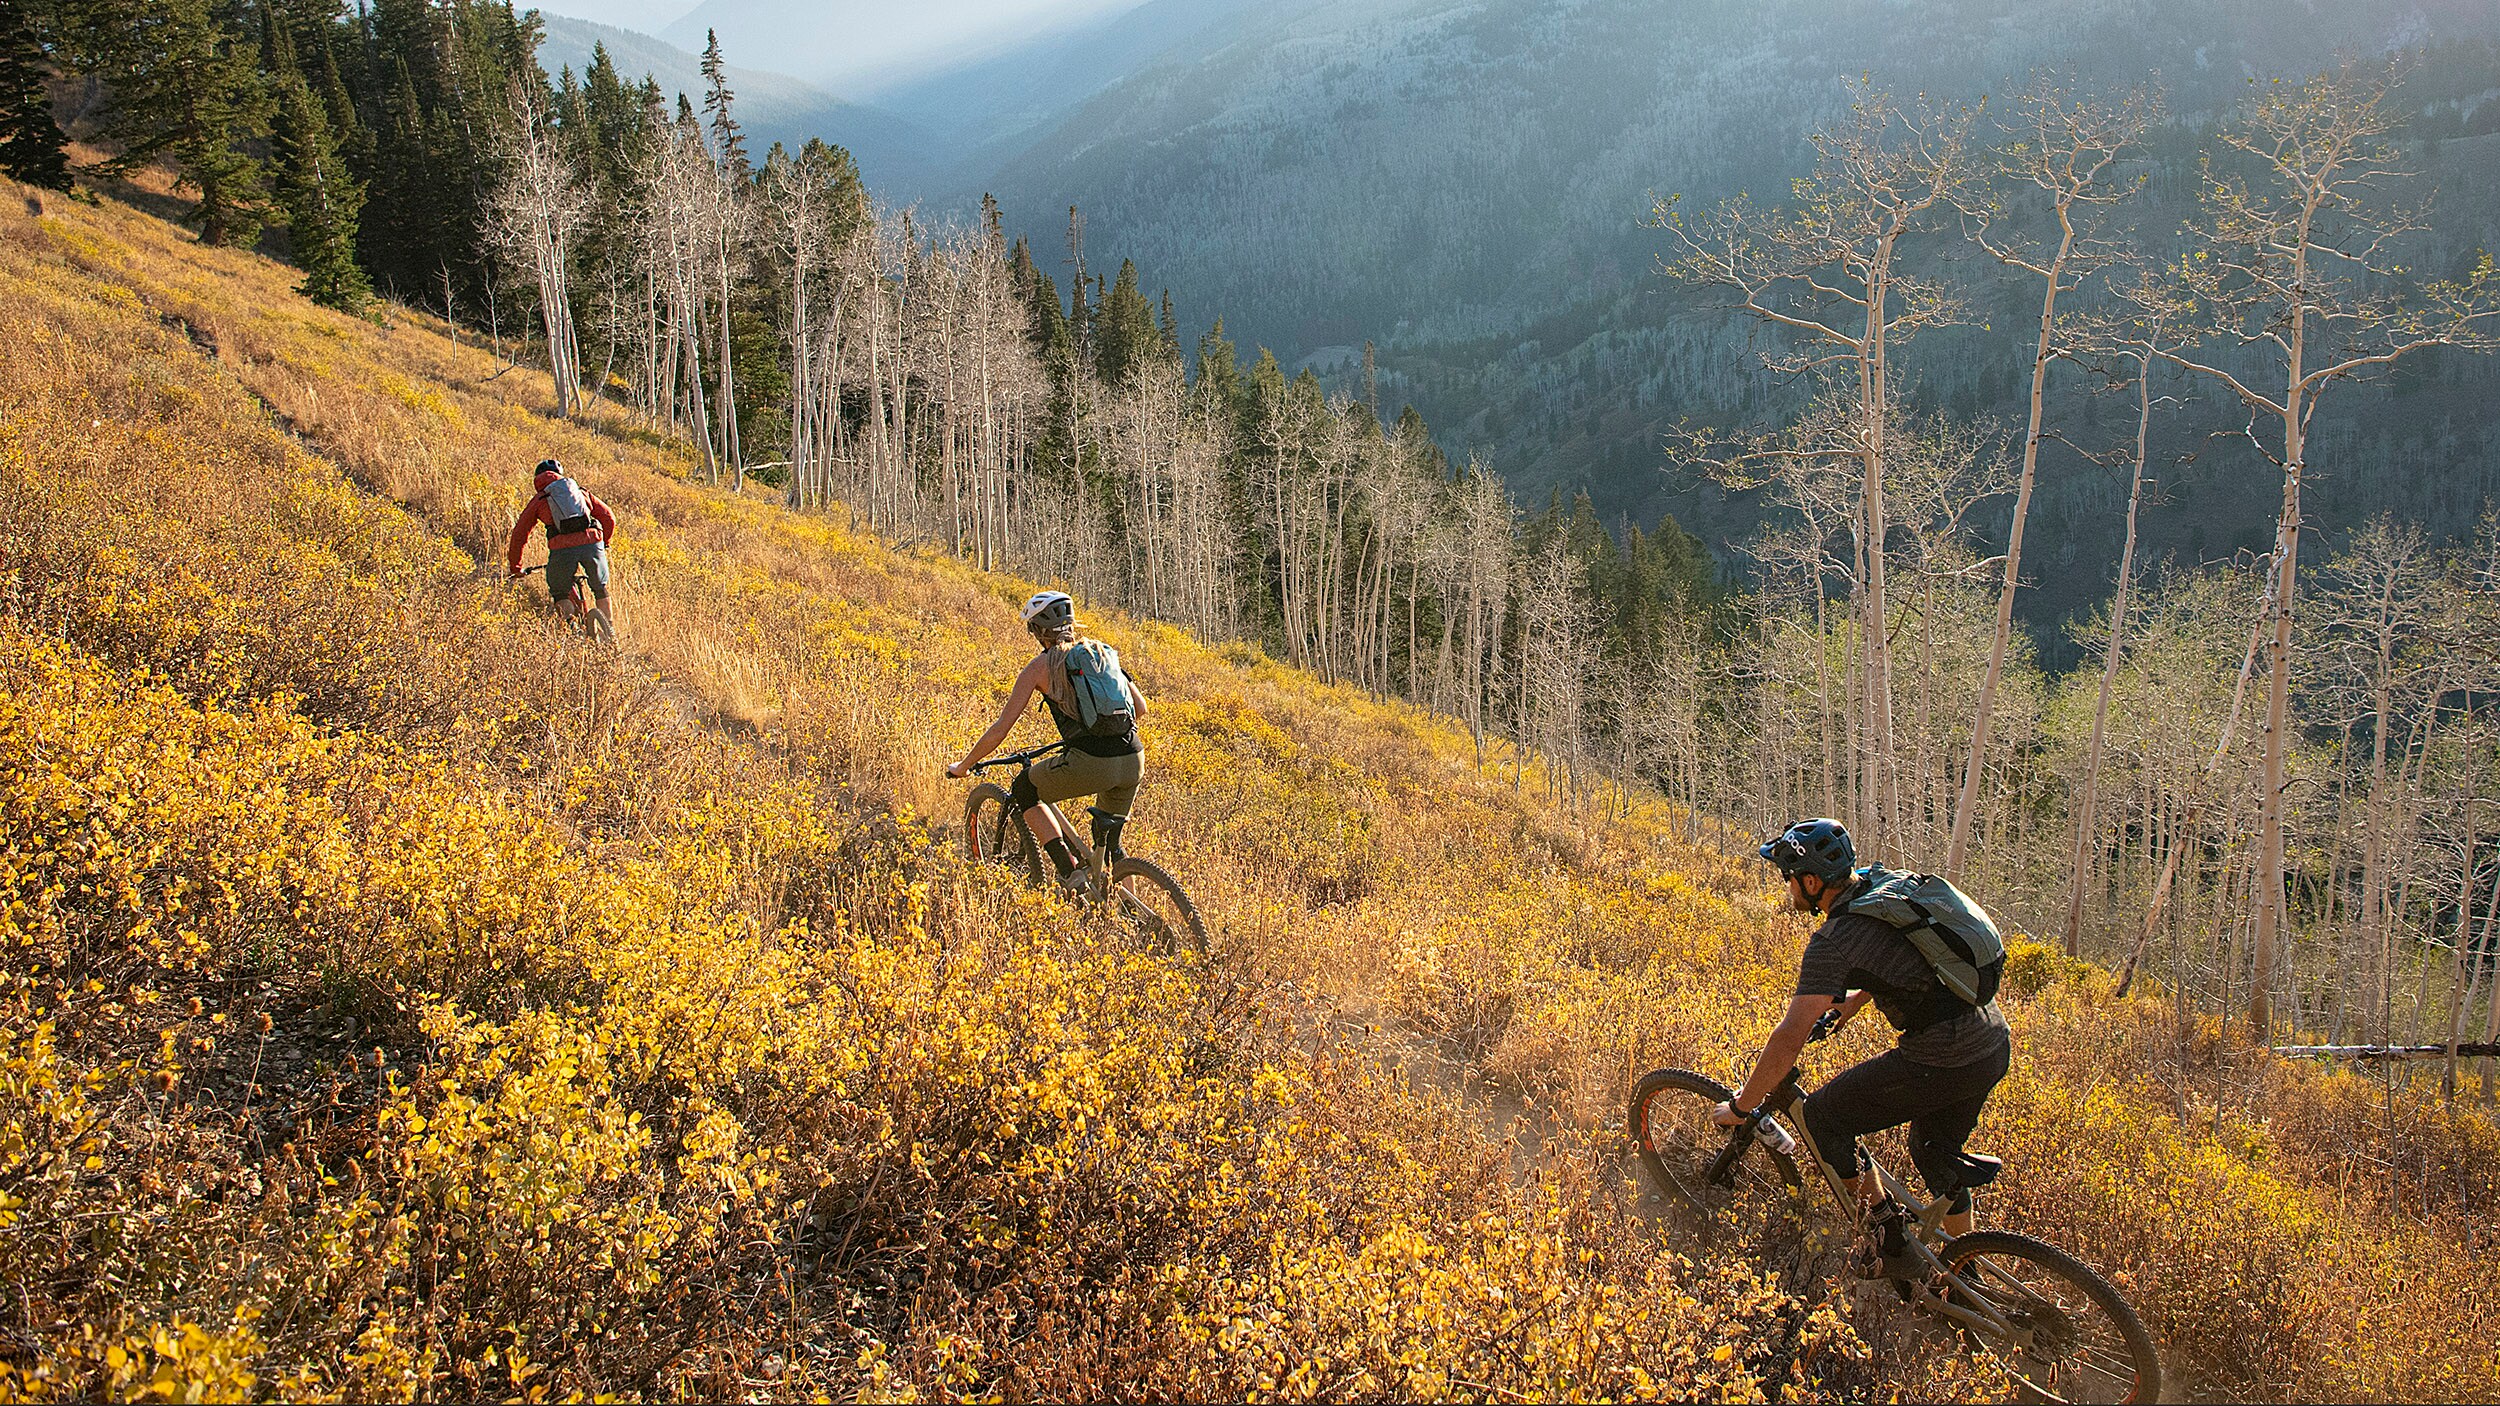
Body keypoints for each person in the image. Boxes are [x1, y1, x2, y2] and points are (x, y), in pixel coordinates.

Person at [1714, 817, 2013, 1250]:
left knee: (1823, 1118)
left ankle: (1886, 1238)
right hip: (1990, 1042)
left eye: (1790, 879)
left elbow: (1789, 1036)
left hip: (1944, 1057)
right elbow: (1911, 954)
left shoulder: (1833, 941)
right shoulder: (1882, 887)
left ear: (1812, 882)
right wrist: (1854, 1001)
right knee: (1932, 1150)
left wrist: (1744, 1106)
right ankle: (1964, 1268)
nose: (1788, 888)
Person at [948, 591, 1148, 897]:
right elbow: (1141, 707)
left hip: (1092, 761)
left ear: (1037, 631)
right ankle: (1132, 913)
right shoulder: (1102, 652)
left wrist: (964, 766)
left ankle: (1069, 872)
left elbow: (1000, 730)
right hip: (1133, 757)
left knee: (1024, 790)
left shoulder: (1040, 667)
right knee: (1109, 844)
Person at [505, 459, 616, 643]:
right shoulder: (580, 492)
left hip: (561, 548)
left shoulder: (540, 499)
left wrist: (516, 567)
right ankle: (610, 634)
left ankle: (573, 631)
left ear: (537, 480)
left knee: (560, 592)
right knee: (600, 588)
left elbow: (520, 533)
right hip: (592, 543)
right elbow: (608, 517)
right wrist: (605, 543)